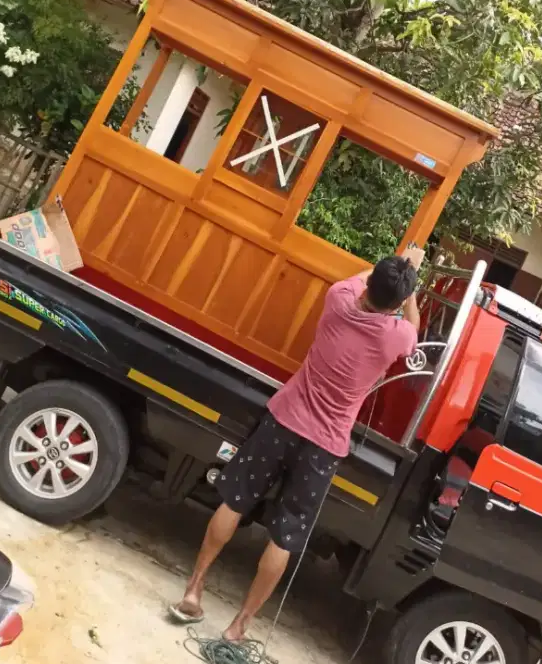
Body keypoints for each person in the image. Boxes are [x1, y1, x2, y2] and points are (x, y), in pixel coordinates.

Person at [169, 244, 425, 641]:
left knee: (234, 501)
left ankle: (193, 588)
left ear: (369, 286)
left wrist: (397, 261)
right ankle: (239, 627)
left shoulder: (338, 300)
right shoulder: (395, 335)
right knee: (284, 537)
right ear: (395, 304)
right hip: (323, 447)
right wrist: (410, 285)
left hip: (282, 420)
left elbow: (358, 280)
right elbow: (415, 327)